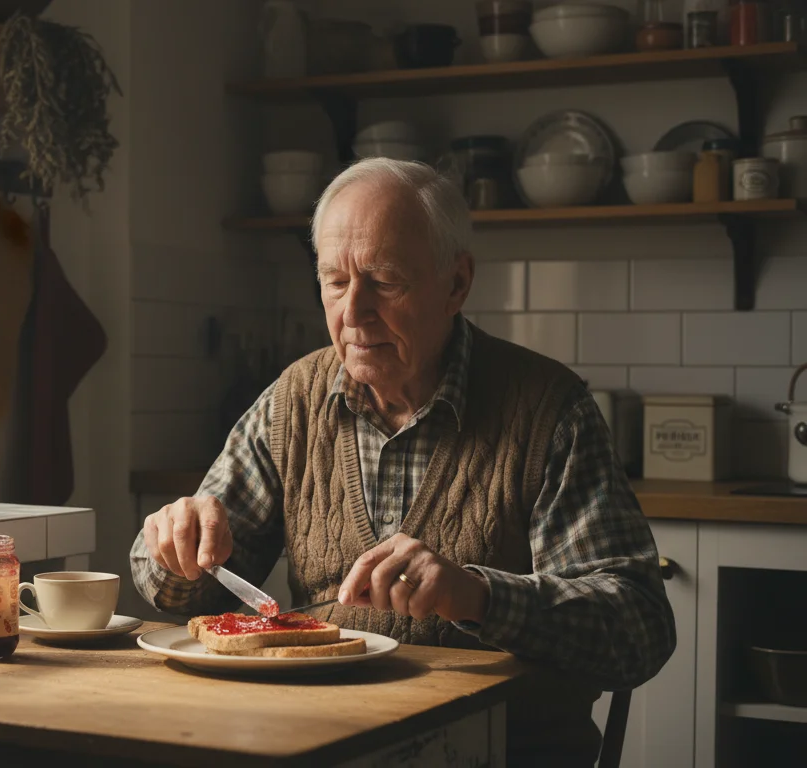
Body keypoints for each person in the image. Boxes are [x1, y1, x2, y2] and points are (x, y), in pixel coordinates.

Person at [129, 158, 676, 767]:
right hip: (322, 744)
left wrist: (477, 596)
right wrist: (173, 548)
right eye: (335, 282)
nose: (354, 312)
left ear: (456, 284)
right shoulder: (295, 400)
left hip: (500, 750)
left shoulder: (550, 411)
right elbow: (177, 591)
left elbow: (640, 629)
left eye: (385, 281)